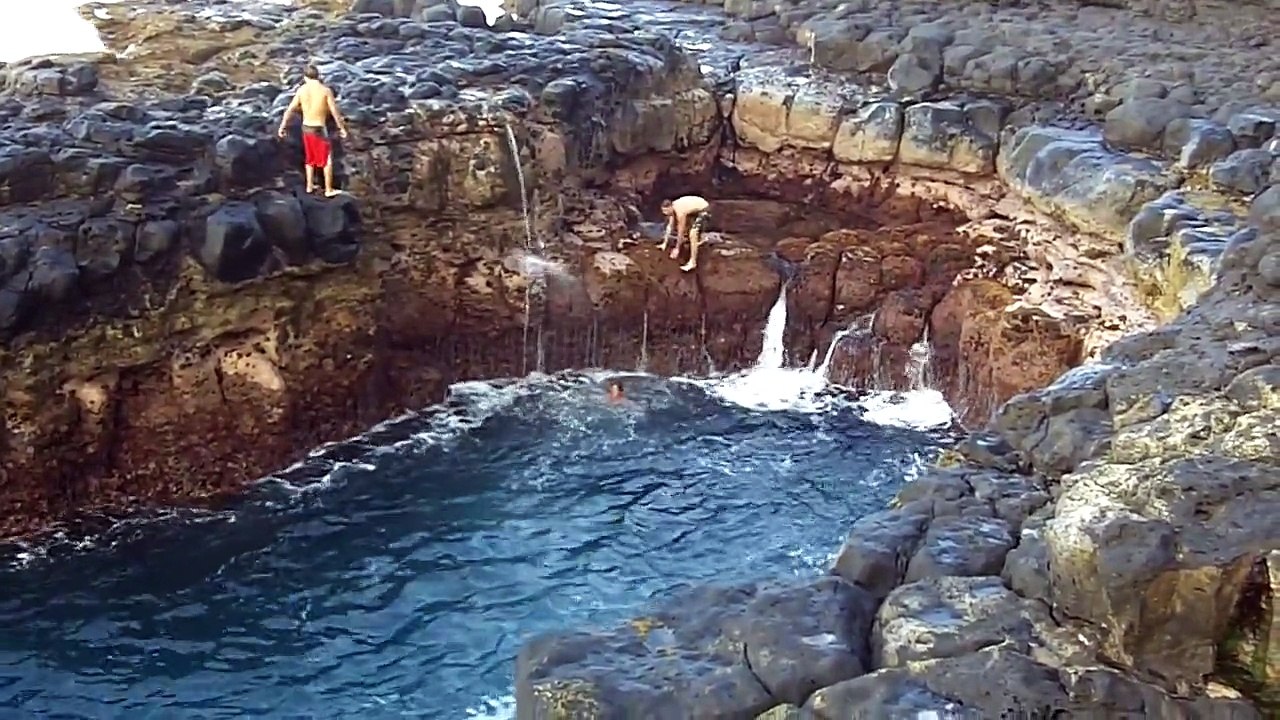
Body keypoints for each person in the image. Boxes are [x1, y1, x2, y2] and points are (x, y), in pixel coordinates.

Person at [277, 64, 350, 197]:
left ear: (305, 77)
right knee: (326, 159)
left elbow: (290, 109)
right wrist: (341, 128)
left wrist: (282, 126)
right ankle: (328, 189)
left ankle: (309, 186)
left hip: (306, 127)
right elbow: (334, 111)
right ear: (318, 76)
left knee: (310, 158)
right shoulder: (325, 90)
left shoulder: (301, 90)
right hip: (319, 128)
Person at [657, 195, 711, 272]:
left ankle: (692, 262)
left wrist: (677, 248)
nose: (665, 213)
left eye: (666, 211)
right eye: (663, 212)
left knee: (693, 233)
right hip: (694, 212)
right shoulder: (673, 210)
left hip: (704, 210)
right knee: (687, 231)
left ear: (671, 207)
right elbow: (669, 226)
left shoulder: (680, 211)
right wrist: (664, 243)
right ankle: (697, 241)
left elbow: (680, 231)